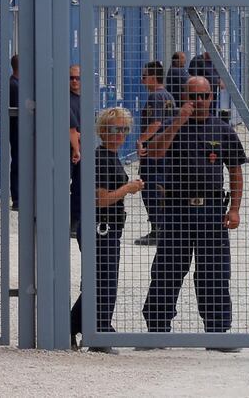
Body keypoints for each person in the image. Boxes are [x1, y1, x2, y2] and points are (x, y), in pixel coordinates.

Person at [142, 77, 246, 348]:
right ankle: (157, 330)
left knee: (214, 270)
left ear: (212, 98)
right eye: (194, 96)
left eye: (204, 96)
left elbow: (235, 171)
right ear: (184, 97)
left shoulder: (223, 130)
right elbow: (153, 153)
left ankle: (217, 331)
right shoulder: (172, 126)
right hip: (177, 208)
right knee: (168, 269)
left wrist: (234, 209)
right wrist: (178, 120)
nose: (199, 102)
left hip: (211, 210)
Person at [70, 107, 144, 353]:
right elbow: (99, 199)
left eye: (124, 129)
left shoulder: (109, 156)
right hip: (99, 229)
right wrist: (128, 188)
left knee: (101, 280)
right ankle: (98, 331)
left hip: (108, 228)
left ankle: (79, 327)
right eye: (115, 129)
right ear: (103, 130)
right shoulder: (101, 158)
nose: (120, 134)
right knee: (103, 281)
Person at [135, 61, 176, 246]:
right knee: (161, 186)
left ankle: (157, 228)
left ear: (152, 77)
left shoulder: (155, 97)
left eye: (144, 76)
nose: (142, 80)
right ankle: (163, 227)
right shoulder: (168, 96)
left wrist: (141, 140)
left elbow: (156, 123)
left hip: (154, 151)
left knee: (151, 187)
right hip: (166, 150)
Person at [188, 50, 224, 115]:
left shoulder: (213, 62)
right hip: (202, 94)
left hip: (212, 92)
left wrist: (220, 80)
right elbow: (193, 77)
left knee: (212, 112)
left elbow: (216, 74)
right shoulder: (198, 60)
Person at [69, 65, 82, 231]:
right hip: (71, 151)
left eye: (77, 78)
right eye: (71, 78)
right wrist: (76, 149)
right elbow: (71, 129)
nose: (74, 81)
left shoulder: (83, 99)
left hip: (80, 149)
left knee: (79, 186)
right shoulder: (66, 99)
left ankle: (76, 221)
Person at [9, 55, 19, 211]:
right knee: (18, 163)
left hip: (19, 130)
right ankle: (17, 198)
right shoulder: (14, 85)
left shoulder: (16, 83)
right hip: (18, 130)